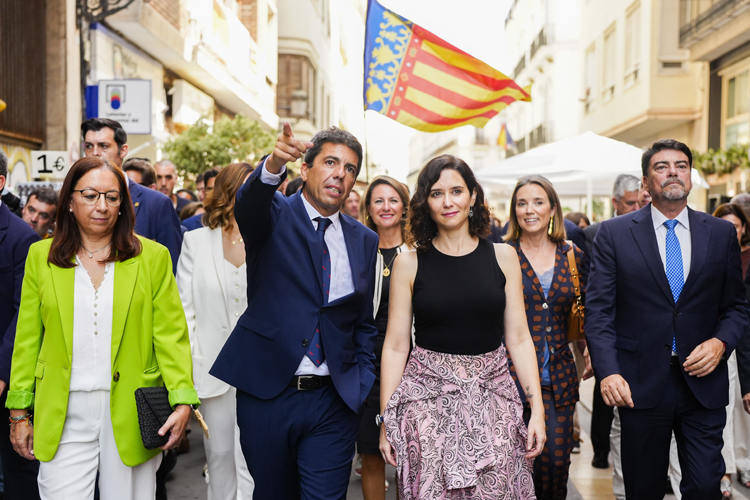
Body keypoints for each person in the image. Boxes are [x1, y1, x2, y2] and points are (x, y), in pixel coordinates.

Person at [6, 156, 199, 499]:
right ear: (69, 201)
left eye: (112, 197)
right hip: (61, 410)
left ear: (124, 205)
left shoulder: (151, 258)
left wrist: (183, 400)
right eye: (91, 195)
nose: (102, 206)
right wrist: (19, 412)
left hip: (131, 408)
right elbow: (27, 339)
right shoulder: (42, 256)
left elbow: (171, 336)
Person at [209, 123, 379, 499]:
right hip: (270, 393)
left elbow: (363, 322)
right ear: (305, 169)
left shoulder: (364, 239)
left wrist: (361, 381)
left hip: (334, 400)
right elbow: (249, 203)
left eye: (350, 168)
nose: (340, 173)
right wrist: (272, 164)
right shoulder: (274, 216)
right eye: (331, 162)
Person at [586, 139, 750, 500]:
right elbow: (599, 311)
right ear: (646, 183)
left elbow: (737, 307)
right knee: (644, 488)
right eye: (661, 167)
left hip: (703, 383)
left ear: (690, 177)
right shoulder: (614, 234)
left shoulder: (721, 234)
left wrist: (721, 342)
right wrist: (609, 370)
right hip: (640, 382)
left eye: (681, 165)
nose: (673, 172)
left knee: (706, 485)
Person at [379, 155, 544, 499]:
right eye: (437, 193)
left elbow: (518, 338)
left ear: (472, 196)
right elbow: (395, 346)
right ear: (426, 202)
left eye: (457, 191)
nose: (448, 201)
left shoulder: (503, 256)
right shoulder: (407, 263)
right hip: (425, 409)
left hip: (494, 406)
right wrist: (387, 422)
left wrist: (537, 411)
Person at [504, 175, 590, 499]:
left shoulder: (572, 255)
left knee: (554, 464)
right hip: (508, 380)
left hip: (559, 378)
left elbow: (584, 309)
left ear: (552, 208)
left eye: (538, 202)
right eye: (522, 203)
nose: (530, 210)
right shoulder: (502, 254)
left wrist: (589, 348)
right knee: (513, 465)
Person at [177, 163, 255, 500]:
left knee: (255, 461)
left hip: (260, 372)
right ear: (229, 191)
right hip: (211, 371)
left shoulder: (270, 237)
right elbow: (185, 312)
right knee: (220, 458)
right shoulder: (195, 241)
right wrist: (191, 370)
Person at [355, 176, 411, 500]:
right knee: (371, 457)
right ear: (368, 208)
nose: (386, 207)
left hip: (413, 363)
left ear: (404, 207)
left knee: (411, 459)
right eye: (378, 200)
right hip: (367, 365)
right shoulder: (357, 250)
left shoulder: (420, 251)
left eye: (393, 200)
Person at [582, 173, 641, 470]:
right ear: (615, 202)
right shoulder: (595, 233)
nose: (635, 208)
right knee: (604, 389)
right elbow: (591, 289)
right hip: (607, 328)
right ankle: (600, 449)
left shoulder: (650, 231)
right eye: (629, 203)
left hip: (637, 329)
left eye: (638, 202)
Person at [82, 118, 183, 273]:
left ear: (123, 150)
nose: (95, 152)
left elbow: (172, 266)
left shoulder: (156, 203)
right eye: (89, 146)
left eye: (104, 146)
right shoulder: (75, 199)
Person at [0, 149, 41, 500]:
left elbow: (22, 318)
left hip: (7, 381)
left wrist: (2, 374)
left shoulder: (20, 239)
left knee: (18, 472)